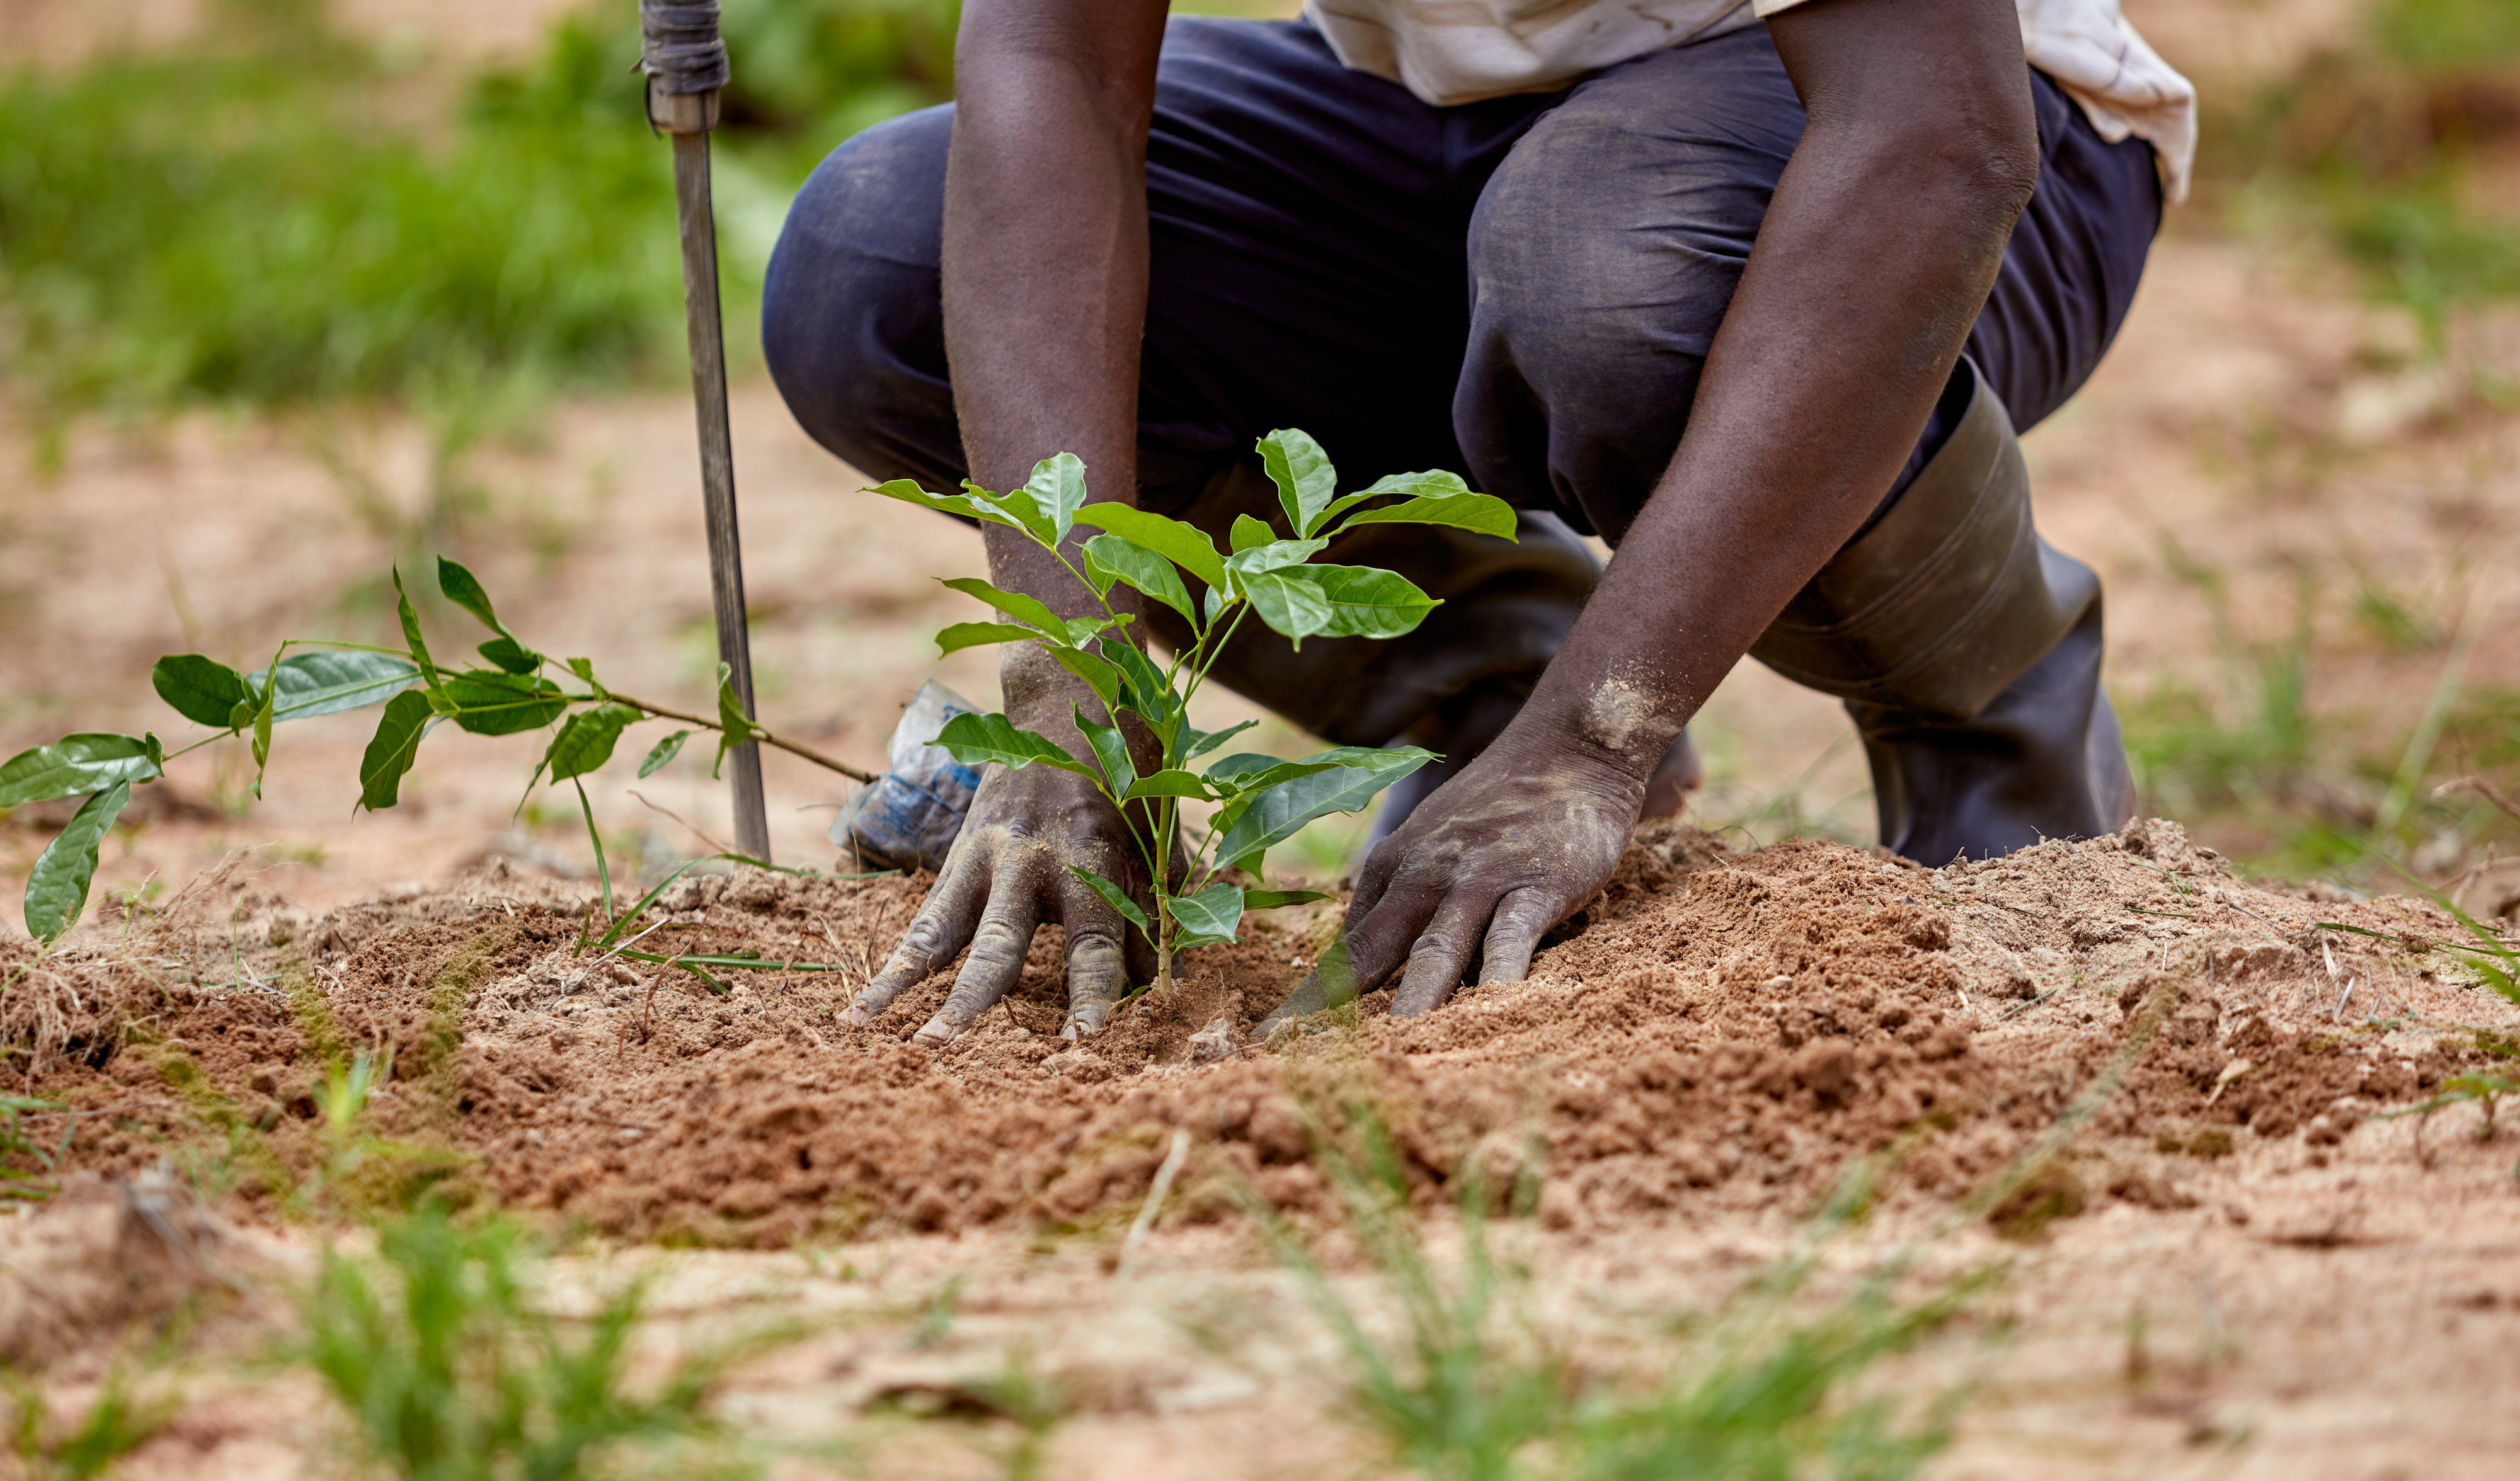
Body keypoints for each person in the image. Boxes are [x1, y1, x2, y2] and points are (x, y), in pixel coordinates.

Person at [760, 0, 2194, 1042]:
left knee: (1607, 276)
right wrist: (1073, 672)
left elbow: (1934, 137)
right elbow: (1052, 64)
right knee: (875, 258)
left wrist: (1596, 742)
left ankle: (1990, 717)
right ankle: (1486, 677)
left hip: (1939, 141)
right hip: (1462, 131)